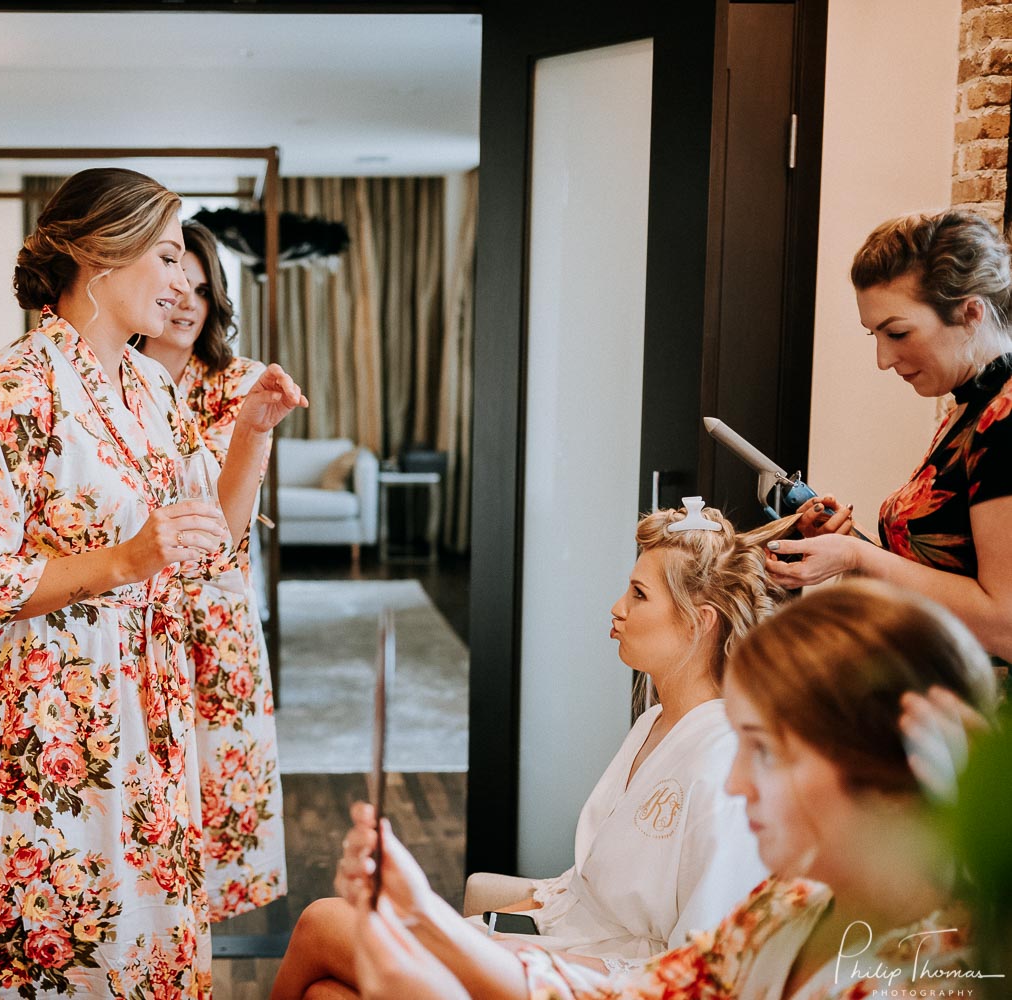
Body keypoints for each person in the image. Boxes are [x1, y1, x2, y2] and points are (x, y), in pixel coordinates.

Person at [0, 168, 306, 999]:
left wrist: (251, 435)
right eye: (168, 257)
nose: (181, 285)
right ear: (102, 253)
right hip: (52, 723)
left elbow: (209, 548)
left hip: (152, 714)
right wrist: (124, 562)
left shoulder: (152, 390)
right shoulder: (6, 391)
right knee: (61, 941)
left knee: (146, 939)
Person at [333, 579, 996, 1000]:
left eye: (767, 753)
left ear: (883, 762)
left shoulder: (942, 977)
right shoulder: (784, 909)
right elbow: (642, 994)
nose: (738, 782)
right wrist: (420, 914)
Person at [270, 501, 786, 999]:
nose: (617, 608)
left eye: (638, 594)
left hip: (610, 977)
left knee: (324, 922)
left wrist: (507, 952)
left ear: (701, 621)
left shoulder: (724, 762)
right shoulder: (654, 721)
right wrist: (479, 929)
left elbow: (696, 968)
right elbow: (582, 887)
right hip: (558, 942)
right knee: (326, 993)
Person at [768, 211, 1012, 668]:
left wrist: (856, 555)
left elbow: (1005, 623)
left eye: (897, 333)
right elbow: (947, 576)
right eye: (875, 335)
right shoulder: (969, 407)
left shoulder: (1005, 417)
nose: (883, 359)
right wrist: (848, 548)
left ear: (971, 312)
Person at [139, 220, 287, 920]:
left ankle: (199, 933)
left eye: (204, 289)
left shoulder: (239, 383)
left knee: (215, 770)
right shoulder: (112, 380)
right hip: (134, 603)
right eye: (177, 285)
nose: (188, 302)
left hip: (215, 605)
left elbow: (229, 512)